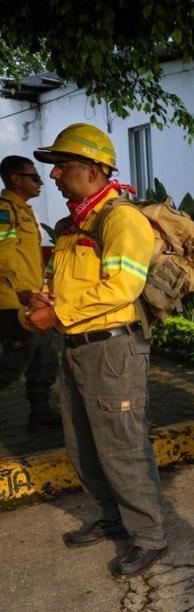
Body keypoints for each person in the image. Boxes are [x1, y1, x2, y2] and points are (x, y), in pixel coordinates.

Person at [28, 123, 166, 577]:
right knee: (84, 445)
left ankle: (147, 536)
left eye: (61, 166)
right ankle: (112, 519)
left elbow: (124, 285)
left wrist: (58, 312)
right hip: (75, 347)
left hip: (112, 352)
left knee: (122, 448)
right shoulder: (75, 225)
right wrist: (46, 300)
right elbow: (66, 282)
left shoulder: (120, 219)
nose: (53, 176)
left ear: (90, 170)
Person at [0, 155, 60, 431]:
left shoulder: (23, 209)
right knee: (15, 363)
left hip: (34, 299)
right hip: (13, 301)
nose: (40, 182)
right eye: (33, 177)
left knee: (45, 359)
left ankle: (41, 414)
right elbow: (3, 254)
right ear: (15, 179)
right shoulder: (4, 210)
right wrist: (22, 290)